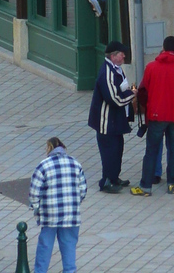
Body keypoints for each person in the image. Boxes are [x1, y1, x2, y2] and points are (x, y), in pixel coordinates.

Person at [131, 35, 174, 196]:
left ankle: (146, 186)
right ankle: (172, 183)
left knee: (152, 150)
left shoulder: (151, 67)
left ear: (163, 47)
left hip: (156, 114)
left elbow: (144, 89)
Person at [29, 136, 87, 273]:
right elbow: (83, 190)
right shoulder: (75, 164)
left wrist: (36, 208)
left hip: (50, 215)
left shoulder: (43, 165)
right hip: (71, 215)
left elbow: (34, 193)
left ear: (49, 148)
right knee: (69, 247)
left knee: (45, 246)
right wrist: (73, 203)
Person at [87, 40, 137, 192]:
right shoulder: (107, 73)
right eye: (122, 54)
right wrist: (132, 95)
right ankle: (106, 181)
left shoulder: (117, 69)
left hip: (116, 120)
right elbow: (114, 98)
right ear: (113, 56)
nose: (124, 57)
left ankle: (114, 177)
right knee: (109, 152)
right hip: (106, 121)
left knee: (118, 149)